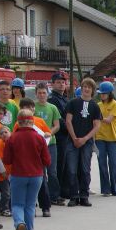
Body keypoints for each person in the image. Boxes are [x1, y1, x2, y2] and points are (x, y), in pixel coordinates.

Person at [3, 109, 50, 230]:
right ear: (32, 122)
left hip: (18, 175)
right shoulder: (39, 138)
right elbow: (47, 160)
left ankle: (19, 223)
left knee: (17, 204)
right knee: (30, 205)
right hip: (36, 175)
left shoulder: (12, 138)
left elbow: (7, 159)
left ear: (18, 122)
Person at [63, 77, 102, 207]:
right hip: (72, 140)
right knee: (72, 169)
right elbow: (68, 121)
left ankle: (84, 195)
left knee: (85, 169)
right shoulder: (73, 103)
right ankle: (73, 196)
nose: (86, 89)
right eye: (84, 86)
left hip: (87, 142)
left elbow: (97, 125)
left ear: (92, 90)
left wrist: (85, 139)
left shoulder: (95, 106)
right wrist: (74, 138)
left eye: (89, 87)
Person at [15, 97, 54, 218]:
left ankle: (45, 206)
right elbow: (15, 137)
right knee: (27, 185)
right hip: (24, 158)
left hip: (38, 157)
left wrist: (48, 135)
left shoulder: (40, 121)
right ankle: (31, 208)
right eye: (26, 107)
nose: (29, 110)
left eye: (31, 107)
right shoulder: (18, 124)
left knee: (42, 183)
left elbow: (48, 135)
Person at [34, 83, 62, 208]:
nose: (41, 95)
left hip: (50, 143)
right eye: (39, 93)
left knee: (52, 171)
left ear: (48, 94)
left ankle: (54, 196)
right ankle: (41, 197)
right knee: (41, 172)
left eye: (44, 93)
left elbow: (57, 125)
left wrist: (49, 133)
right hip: (36, 144)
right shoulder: (33, 107)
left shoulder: (52, 108)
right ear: (36, 94)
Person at [95, 81, 116, 196]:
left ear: (110, 93)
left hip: (112, 138)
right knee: (102, 163)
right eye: (101, 93)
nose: (102, 95)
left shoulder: (115, 104)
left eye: (104, 93)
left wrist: (98, 117)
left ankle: (115, 189)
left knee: (114, 163)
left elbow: (109, 120)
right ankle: (105, 189)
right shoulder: (97, 105)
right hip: (99, 137)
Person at [48, 72, 70, 202]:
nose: (61, 84)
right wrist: (70, 128)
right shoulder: (53, 99)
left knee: (65, 164)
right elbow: (60, 119)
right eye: (58, 82)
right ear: (53, 84)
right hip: (59, 136)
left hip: (66, 136)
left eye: (63, 82)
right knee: (59, 165)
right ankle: (57, 192)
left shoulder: (64, 98)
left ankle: (65, 190)